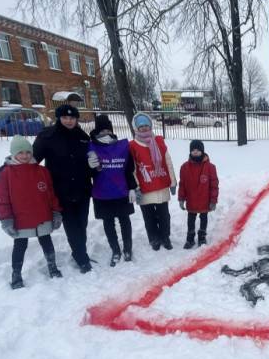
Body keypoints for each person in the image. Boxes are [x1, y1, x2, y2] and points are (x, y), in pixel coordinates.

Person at [0, 136, 63, 289]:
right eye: (20, 153)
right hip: (20, 218)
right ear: (13, 154)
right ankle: (16, 273)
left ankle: (52, 266)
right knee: (20, 245)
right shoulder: (5, 173)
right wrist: (6, 219)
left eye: (27, 152)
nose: (25, 156)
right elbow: (2, 199)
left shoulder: (42, 171)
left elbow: (50, 193)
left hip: (42, 215)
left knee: (46, 241)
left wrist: (56, 212)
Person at [33, 104, 94, 273]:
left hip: (82, 188)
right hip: (61, 190)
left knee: (82, 223)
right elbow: (32, 162)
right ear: (59, 118)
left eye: (72, 118)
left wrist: (93, 166)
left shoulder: (83, 136)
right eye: (65, 118)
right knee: (71, 224)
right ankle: (81, 258)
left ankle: (79, 252)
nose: (69, 121)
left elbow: (88, 163)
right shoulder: (47, 136)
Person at [88, 115, 138, 266]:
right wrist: (90, 167)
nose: (105, 133)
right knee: (108, 223)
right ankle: (115, 249)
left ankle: (128, 248)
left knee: (125, 220)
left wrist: (132, 188)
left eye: (107, 129)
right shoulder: (91, 148)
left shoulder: (121, 146)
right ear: (96, 131)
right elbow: (89, 174)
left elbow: (129, 169)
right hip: (102, 193)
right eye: (101, 130)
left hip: (121, 191)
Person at [129, 113, 177, 251]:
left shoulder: (159, 142)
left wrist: (173, 181)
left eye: (146, 125)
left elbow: (168, 162)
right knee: (148, 216)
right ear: (136, 128)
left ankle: (165, 236)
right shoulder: (132, 146)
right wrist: (136, 186)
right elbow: (132, 168)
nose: (144, 128)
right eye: (141, 126)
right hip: (144, 187)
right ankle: (154, 238)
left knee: (164, 215)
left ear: (150, 126)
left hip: (161, 184)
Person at [178, 140, 219, 249]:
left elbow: (214, 185)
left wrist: (213, 200)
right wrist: (181, 198)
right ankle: (190, 238)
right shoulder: (184, 167)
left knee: (203, 218)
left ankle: (202, 237)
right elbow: (182, 184)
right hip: (191, 200)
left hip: (204, 200)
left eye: (198, 150)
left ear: (202, 151)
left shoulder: (210, 167)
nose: (195, 152)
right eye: (193, 150)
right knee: (191, 219)